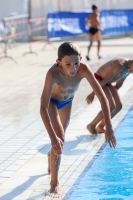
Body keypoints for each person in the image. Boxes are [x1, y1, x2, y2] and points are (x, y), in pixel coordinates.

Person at [40, 42, 116, 195]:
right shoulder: (53, 73)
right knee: (59, 139)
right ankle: (54, 183)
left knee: (59, 141)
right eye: (68, 64)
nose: (73, 68)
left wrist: (109, 127)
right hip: (52, 103)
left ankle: (51, 153)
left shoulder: (84, 69)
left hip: (67, 102)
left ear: (81, 59)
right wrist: (53, 137)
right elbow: (42, 108)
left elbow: (102, 98)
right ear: (58, 63)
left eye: (76, 63)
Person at [86, 57, 133, 134]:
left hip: (107, 82)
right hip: (99, 79)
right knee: (111, 106)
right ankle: (91, 125)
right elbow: (105, 80)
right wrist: (92, 94)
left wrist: (113, 92)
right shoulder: (120, 65)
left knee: (118, 106)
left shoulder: (129, 69)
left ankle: (100, 126)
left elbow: (119, 83)